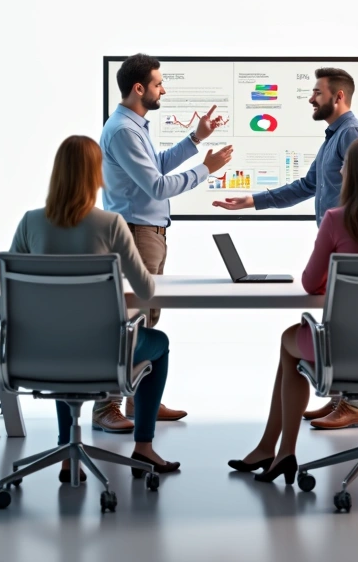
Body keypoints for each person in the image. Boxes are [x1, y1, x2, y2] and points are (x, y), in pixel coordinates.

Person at [228, 138, 358, 483]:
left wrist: (337, 288)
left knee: (289, 341)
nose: (340, 170)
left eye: (345, 165)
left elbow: (310, 283)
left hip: (344, 350)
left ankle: (281, 450)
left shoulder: (336, 220)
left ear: (355, 175)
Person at [213, 67, 358, 430]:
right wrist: (252, 201)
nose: (310, 98)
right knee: (337, 321)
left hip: (351, 247)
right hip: (337, 245)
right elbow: (307, 185)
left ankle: (352, 404)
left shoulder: (352, 134)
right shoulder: (334, 137)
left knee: (349, 323)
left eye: (317, 92)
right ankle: (344, 399)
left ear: (338, 96)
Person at [10, 135, 180, 479]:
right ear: (96, 175)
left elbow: (13, 287)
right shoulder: (111, 224)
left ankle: (66, 453)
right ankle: (144, 447)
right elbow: (146, 290)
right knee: (158, 343)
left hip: (42, 352)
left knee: (62, 341)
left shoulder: (30, 222)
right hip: (104, 353)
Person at [96, 53, 233, 432]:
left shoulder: (133, 125)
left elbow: (154, 166)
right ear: (139, 88)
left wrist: (195, 139)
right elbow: (157, 186)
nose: (163, 90)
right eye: (158, 84)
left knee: (145, 318)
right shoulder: (123, 130)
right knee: (128, 321)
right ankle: (106, 408)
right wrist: (205, 169)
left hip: (148, 232)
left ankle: (140, 401)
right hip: (136, 233)